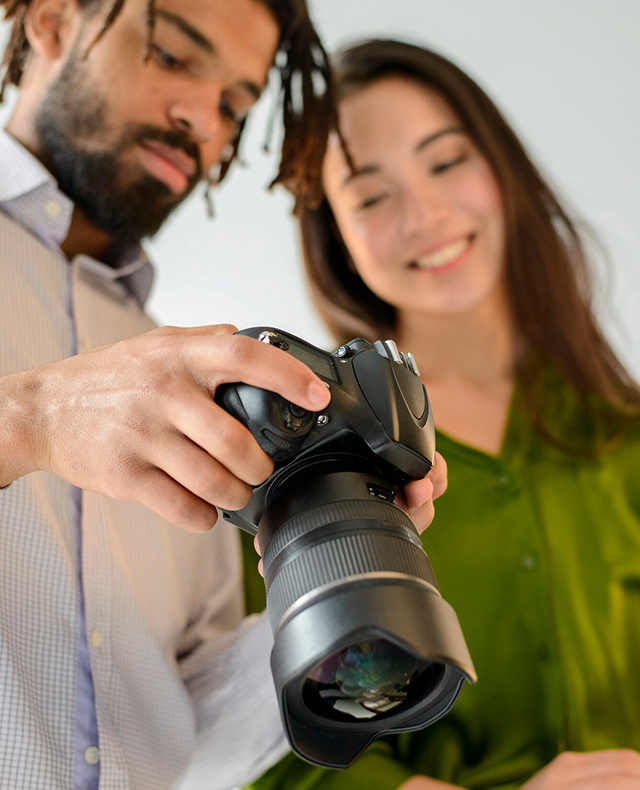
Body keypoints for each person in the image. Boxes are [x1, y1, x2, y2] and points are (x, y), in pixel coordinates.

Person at [0, 5, 445, 788]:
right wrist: (32, 418)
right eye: (173, 56)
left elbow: (185, 736)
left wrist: (330, 586)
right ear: (51, 19)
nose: (201, 122)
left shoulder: (188, 384)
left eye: (236, 105)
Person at [243, 39, 640, 790]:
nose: (425, 215)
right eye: (371, 195)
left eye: (446, 161)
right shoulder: (295, 450)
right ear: (339, 240)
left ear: (501, 170)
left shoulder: (624, 434)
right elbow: (276, 757)